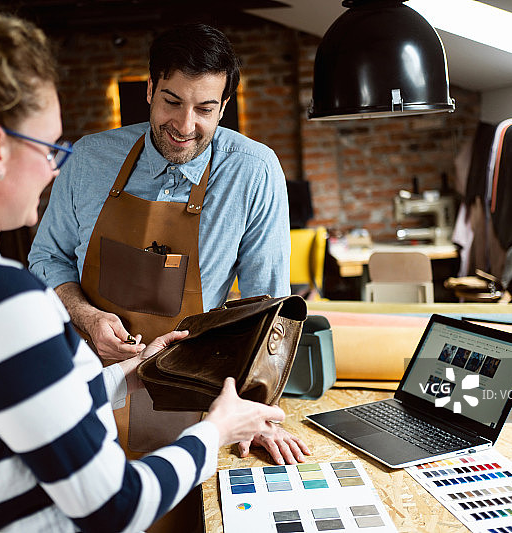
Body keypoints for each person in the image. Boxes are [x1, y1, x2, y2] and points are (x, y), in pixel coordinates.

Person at [0, 1, 288, 531]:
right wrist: (217, 430)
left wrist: (137, 369)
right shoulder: (4, 300)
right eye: (49, 147)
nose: (55, 169)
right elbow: (114, 506)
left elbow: (16, 409)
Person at [28, 22, 308, 465]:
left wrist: (256, 411)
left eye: (205, 109)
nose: (184, 125)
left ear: (224, 107)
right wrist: (88, 317)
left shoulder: (254, 171)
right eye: (172, 102)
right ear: (150, 89)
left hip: (190, 398)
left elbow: (266, 309)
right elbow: (48, 259)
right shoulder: (88, 159)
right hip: (85, 389)